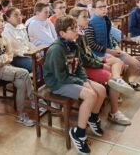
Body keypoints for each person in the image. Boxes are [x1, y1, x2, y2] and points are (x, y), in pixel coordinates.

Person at [43, 15, 106, 155]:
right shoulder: (56, 50)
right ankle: (78, 133)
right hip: (58, 83)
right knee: (90, 96)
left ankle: (93, 118)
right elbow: (61, 77)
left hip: (72, 78)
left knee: (101, 90)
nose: (77, 30)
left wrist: (84, 80)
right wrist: (82, 83)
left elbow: (79, 67)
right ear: (62, 33)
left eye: (76, 27)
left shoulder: (73, 44)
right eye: (72, 29)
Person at [69, 7, 134, 125]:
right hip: (84, 68)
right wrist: (101, 64)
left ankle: (117, 81)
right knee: (111, 77)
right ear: (74, 19)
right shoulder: (75, 36)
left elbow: (88, 52)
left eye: (88, 16)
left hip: (91, 61)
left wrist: (101, 61)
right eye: (84, 17)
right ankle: (114, 112)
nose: (88, 19)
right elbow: (83, 59)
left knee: (117, 62)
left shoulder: (82, 32)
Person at [0, 11, 35, 127]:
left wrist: (4, 58)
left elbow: (10, 55)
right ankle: (34, 99)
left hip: (4, 67)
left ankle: (20, 115)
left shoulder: (4, 37)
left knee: (21, 84)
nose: (1, 24)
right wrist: (5, 58)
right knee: (24, 73)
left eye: (2, 21)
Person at [86, 0, 140, 91]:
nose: (104, 9)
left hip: (111, 49)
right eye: (100, 7)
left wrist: (116, 46)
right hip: (99, 53)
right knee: (119, 64)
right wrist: (110, 51)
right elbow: (91, 44)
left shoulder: (106, 19)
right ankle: (117, 87)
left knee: (135, 63)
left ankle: (127, 82)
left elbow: (110, 36)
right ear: (94, 9)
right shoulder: (90, 23)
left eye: (105, 6)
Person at [3, 7, 38, 73]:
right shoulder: (6, 30)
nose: (19, 17)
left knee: (44, 59)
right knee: (36, 65)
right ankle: (39, 82)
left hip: (27, 53)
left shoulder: (21, 26)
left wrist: (35, 50)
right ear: (8, 18)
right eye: (16, 15)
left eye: (20, 14)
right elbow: (14, 50)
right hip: (16, 57)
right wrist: (30, 55)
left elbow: (27, 42)